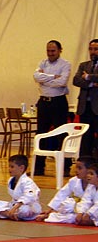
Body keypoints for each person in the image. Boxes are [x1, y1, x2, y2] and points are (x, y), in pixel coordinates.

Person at [33, 40, 72, 176]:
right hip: (44, 102)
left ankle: (65, 168)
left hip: (58, 102)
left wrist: (45, 80)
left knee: (61, 134)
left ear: (60, 50)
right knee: (41, 134)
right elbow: (36, 76)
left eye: (53, 51)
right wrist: (52, 77)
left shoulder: (65, 64)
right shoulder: (42, 63)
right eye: (48, 51)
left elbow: (62, 82)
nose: (50, 54)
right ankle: (38, 168)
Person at [36, 157, 91, 223]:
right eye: (76, 167)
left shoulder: (94, 183)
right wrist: (50, 209)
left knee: (73, 213)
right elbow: (62, 194)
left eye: (80, 168)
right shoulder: (74, 181)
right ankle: (50, 215)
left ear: (89, 170)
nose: (76, 170)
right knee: (68, 205)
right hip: (77, 210)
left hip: (91, 209)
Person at [0, 154, 42, 220]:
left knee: (24, 210)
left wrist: (15, 207)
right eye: (9, 166)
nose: (9, 169)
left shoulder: (27, 181)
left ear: (21, 168)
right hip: (14, 205)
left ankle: (8, 214)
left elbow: (29, 196)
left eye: (12, 167)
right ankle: (9, 214)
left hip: (29, 206)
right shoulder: (11, 180)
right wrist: (14, 207)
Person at [72, 39, 98, 156]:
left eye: (96, 49)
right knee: (85, 138)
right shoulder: (83, 65)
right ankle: (85, 164)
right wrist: (92, 83)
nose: (93, 52)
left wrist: (87, 76)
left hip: (97, 107)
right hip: (84, 107)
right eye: (91, 49)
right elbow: (76, 80)